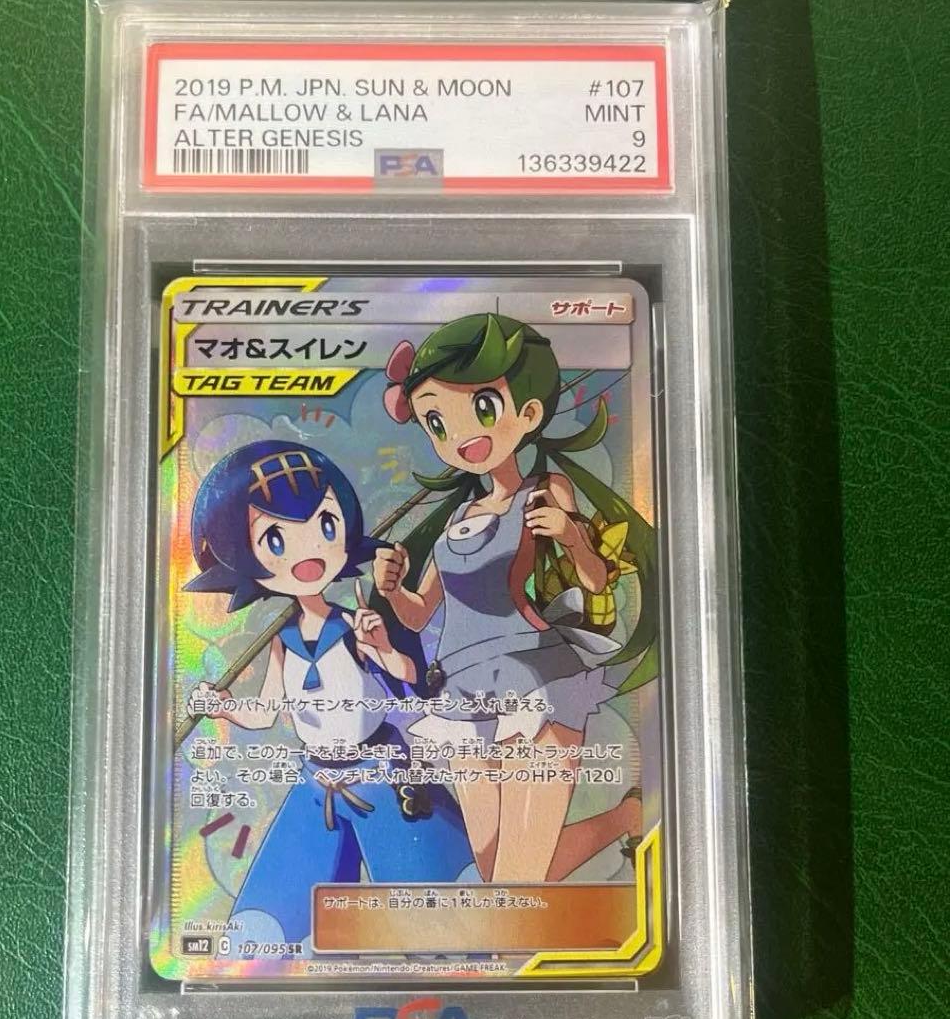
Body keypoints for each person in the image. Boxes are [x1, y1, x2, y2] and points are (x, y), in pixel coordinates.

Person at [374, 315, 655, 883]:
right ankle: (626, 817)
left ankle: (624, 817)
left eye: (481, 408)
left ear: (527, 413)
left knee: (516, 877)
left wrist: (571, 534)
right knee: (495, 869)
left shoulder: (544, 491)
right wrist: (392, 590)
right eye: (436, 421)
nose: (459, 434)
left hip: (533, 678)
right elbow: (420, 614)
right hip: (461, 694)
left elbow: (596, 582)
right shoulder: (458, 516)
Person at [186, 440, 474, 949]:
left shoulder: (355, 625)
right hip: (316, 784)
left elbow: (409, 680)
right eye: (276, 538)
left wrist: (381, 647)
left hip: (380, 776)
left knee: (440, 922)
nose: (307, 552)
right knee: (273, 927)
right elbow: (267, 713)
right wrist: (222, 707)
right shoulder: (282, 640)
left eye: (324, 525)